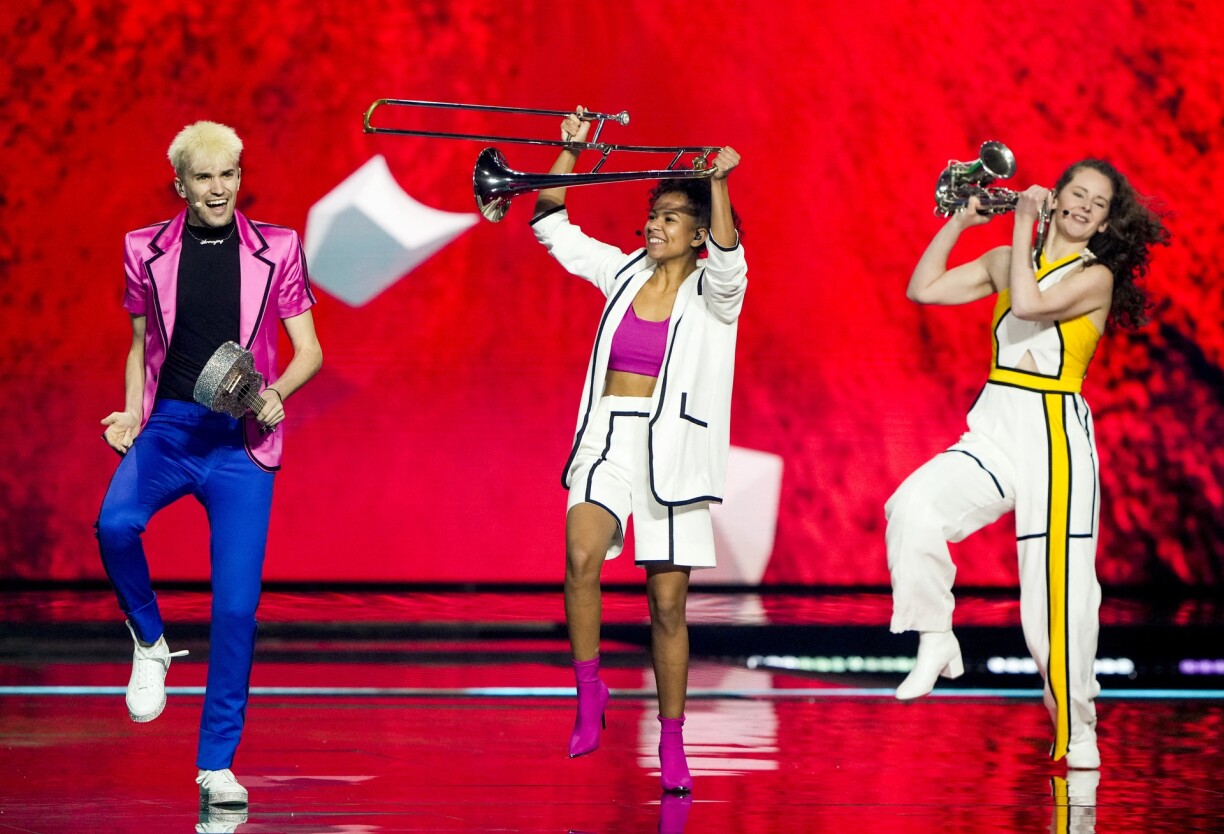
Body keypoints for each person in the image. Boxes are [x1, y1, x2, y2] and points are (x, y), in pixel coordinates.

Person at [886, 158, 1169, 769]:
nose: (1084, 206)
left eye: (1098, 203)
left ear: (1103, 224)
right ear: (1057, 196)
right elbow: (923, 289)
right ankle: (935, 636)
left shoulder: (1094, 277)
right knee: (912, 507)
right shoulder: (1006, 259)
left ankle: (1077, 729)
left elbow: (1032, 305)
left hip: (1055, 438)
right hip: (996, 426)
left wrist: (1021, 224)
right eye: (1077, 193)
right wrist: (961, 224)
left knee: (1058, 599)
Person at [95, 121, 322, 807]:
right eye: (204, 177)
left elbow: (310, 350)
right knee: (114, 525)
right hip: (170, 430)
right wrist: (130, 413)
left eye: (229, 175)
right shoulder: (145, 249)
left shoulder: (278, 247)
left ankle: (216, 764)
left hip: (240, 442)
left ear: (240, 178)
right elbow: (140, 343)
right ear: (182, 185)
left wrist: (278, 393)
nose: (219, 188)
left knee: (236, 610)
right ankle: (151, 640)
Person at [529, 107, 744, 794]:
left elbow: (731, 264)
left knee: (667, 607)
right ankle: (589, 688)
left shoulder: (714, 294)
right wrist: (569, 152)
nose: (655, 225)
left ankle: (672, 739)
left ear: (698, 233)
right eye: (653, 216)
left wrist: (717, 184)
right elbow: (549, 223)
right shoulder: (622, 273)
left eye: (671, 218)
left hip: (673, 452)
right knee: (579, 558)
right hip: (609, 437)